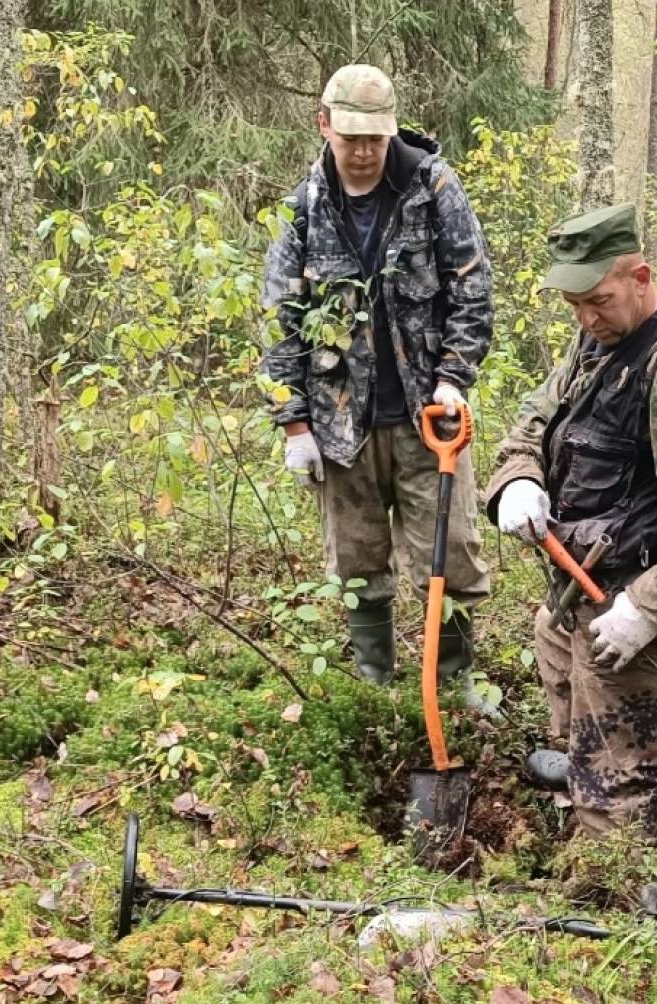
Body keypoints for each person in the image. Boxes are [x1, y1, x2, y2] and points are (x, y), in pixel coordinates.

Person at [484, 203, 657, 882]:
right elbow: (528, 427)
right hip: (578, 589)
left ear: (641, 277)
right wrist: (517, 481)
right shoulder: (592, 346)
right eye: (574, 304)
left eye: (599, 300)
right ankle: (592, 868)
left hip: (633, 601)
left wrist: (650, 607)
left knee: (630, 784)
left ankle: (646, 922)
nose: (586, 318)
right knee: (583, 743)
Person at [260, 64, 493, 707]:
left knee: (448, 553)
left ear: (391, 132)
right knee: (358, 563)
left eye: (375, 140)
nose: (363, 153)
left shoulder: (433, 187)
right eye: (350, 139)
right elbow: (279, 318)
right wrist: (294, 424)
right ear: (325, 126)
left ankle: (453, 683)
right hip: (339, 424)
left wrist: (454, 377)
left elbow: (472, 289)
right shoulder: (304, 206)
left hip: (428, 417)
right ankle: (377, 686)